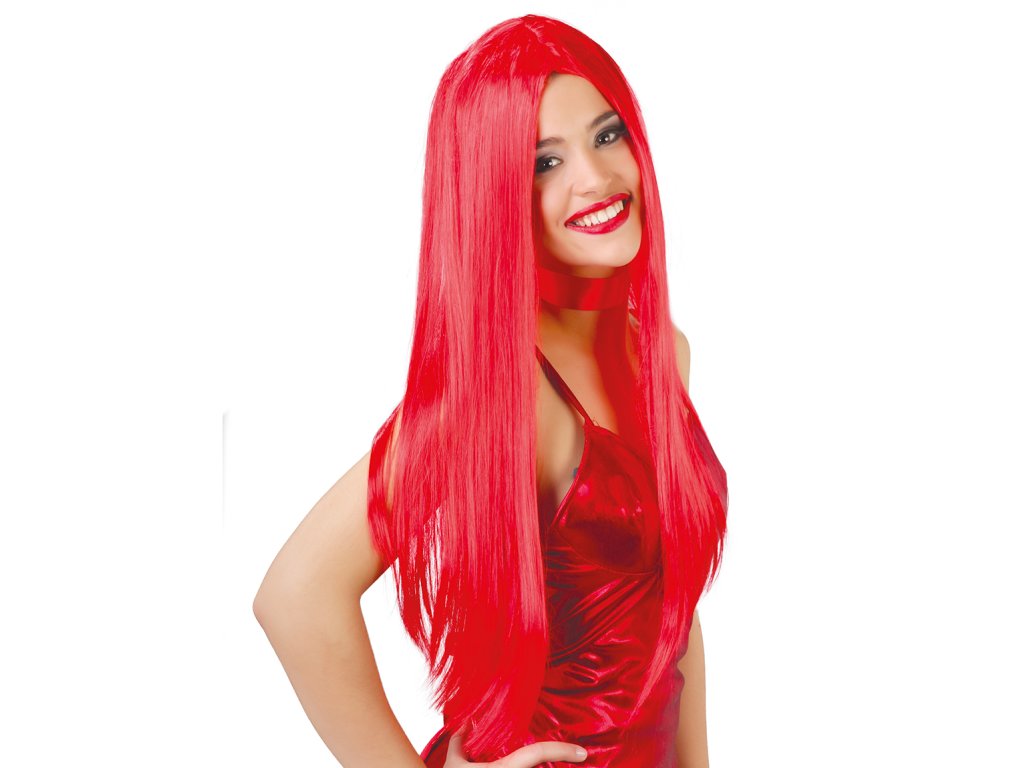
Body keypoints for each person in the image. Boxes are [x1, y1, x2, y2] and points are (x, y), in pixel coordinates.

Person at [253, 15, 728, 768]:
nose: (595, 178)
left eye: (607, 136)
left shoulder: (663, 350)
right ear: (493, 193)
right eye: (545, 162)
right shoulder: (507, 393)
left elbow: (670, 611)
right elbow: (296, 596)